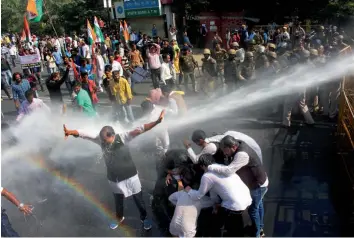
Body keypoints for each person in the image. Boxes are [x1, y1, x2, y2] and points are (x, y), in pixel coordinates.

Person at [63, 110, 165, 230]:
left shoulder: (123, 137)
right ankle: (119, 217)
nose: (104, 143)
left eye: (106, 141)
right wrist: (71, 132)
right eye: (102, 141)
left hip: (130, 176)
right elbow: (84, 134)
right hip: (114, 178)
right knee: (118, 199)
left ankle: (144, 217)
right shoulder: (100, 140)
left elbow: (141, 128)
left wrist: (157, 122)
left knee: (138, 198)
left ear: (112, 136)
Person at [208, 135, 269, 237]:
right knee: (258, 206)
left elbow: (228, 171)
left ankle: (257, 234)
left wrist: (211, 167)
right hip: (261, 181)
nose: (224, 153)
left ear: (233, 147)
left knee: (253, 210)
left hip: (257, 185)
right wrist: (208, 139)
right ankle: (259, 227)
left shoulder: (242, 154)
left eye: (225, 150)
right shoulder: (238, 143)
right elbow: (221, 137)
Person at [186, 154, 252, 237]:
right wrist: (215, 205)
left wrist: (189, 191)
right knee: (234, 229)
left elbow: (198, 195)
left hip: (234, 206)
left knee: (220, 227)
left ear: (202, 165)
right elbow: (214, 192)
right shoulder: (222, 167)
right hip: (247, 200)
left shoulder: (207, 176)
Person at [168, 167, 213, 237]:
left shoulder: (182, 193)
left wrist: (179, 204)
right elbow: (212, 202)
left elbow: (170, 198)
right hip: (187, 229)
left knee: (175, 234)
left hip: (174, 225)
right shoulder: (201, 199)